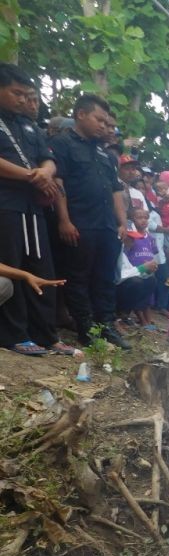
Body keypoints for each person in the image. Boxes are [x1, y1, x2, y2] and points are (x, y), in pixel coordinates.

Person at [0, 63, 73, 356]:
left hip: (33, 207)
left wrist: (45, 171)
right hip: (5, 205)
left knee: (42, 268)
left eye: (27, 94)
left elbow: (48, 158)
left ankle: (47, 334)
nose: (23, 100)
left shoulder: (27, 124)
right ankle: (14, 335)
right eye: (17, 93)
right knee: (13, 267)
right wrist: (33, 176)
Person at [50, 93, 131, 349]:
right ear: (81, 114)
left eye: (106, 122)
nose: (103, 126)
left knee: (105, 277)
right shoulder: (62, 144)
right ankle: (87, 329)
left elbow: (115, 190)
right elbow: (58, 181)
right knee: (78, 277)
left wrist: (123, 222)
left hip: (107, 225)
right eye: (99, 119)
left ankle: (106, 326)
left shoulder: (105, 154)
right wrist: (64, 219)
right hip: (80, 222)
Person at [116, 208, 158, 329]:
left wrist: (148, 270)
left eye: (134, 238)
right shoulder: (119, 252)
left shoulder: (149, 239)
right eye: (130, 238)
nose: (132, 240)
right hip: (117, 287)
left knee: (150, 280)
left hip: (132, 278)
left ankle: (126, 315)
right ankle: (119, 315)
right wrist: (142, 268)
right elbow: (120, 276)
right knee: (135, 282)